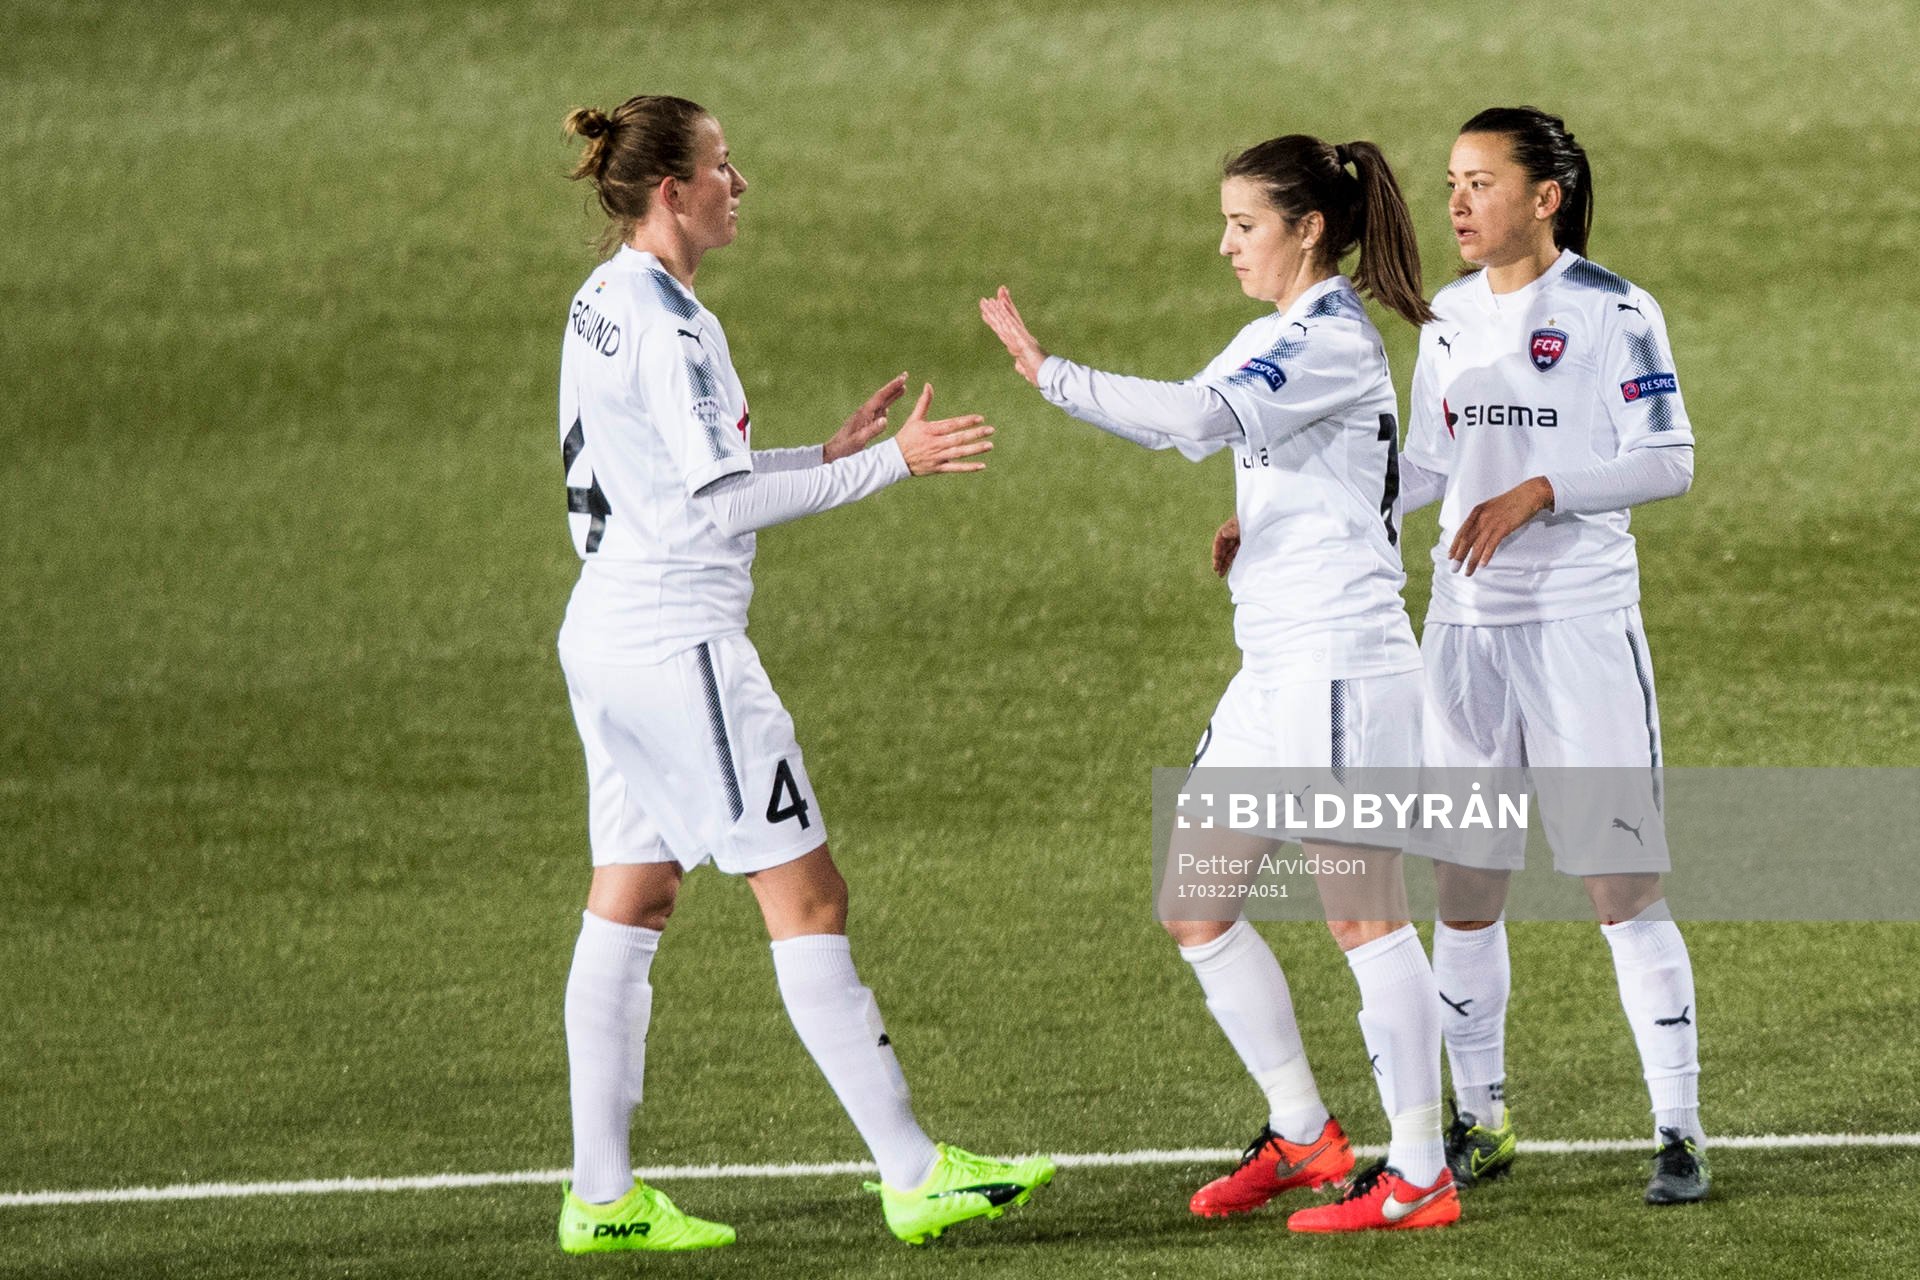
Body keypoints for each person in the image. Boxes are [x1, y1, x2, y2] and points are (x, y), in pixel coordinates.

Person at [550, 93, 1053, 1254]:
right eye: (724, 167)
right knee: (808, 897)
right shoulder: (676, 328)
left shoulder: (603, 302)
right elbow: (717, 502)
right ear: (671, 191)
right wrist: (887, 466)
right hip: (681, 646)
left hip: (607, 632)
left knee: (632, 894)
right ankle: (916, 1170)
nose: (742, 183)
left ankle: (602, 1194)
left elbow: (671, 474)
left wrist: (813, 454)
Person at [981, 134, 1459, 1234]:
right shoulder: (1274, 335)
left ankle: (1424, 1171)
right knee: (1196, 901)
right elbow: (1257, 447)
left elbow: (1198, 420)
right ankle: (1306, 1132)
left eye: (1245, 224)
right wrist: (1266, 519)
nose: (1226, 243)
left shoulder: (1332, 338)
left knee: (1363, 918)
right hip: (1273, 670)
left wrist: (1049, 373)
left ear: (1308, 229)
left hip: (1340, 664)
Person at [1395, 106, 1707, 1205]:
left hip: (1578, 629)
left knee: (1621, 884)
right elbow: (1426, 465)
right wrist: (1311, 515)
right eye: (1449, 184)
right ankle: (1481, 1119)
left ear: (1546, 194)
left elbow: (1668, 460)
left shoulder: (1615, 310)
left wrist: (1544, 490)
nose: (1458, 204)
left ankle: (1678, 1125)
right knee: (1466, 886)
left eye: (1481, 182)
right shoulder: (1443, 317)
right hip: (1464, 634)